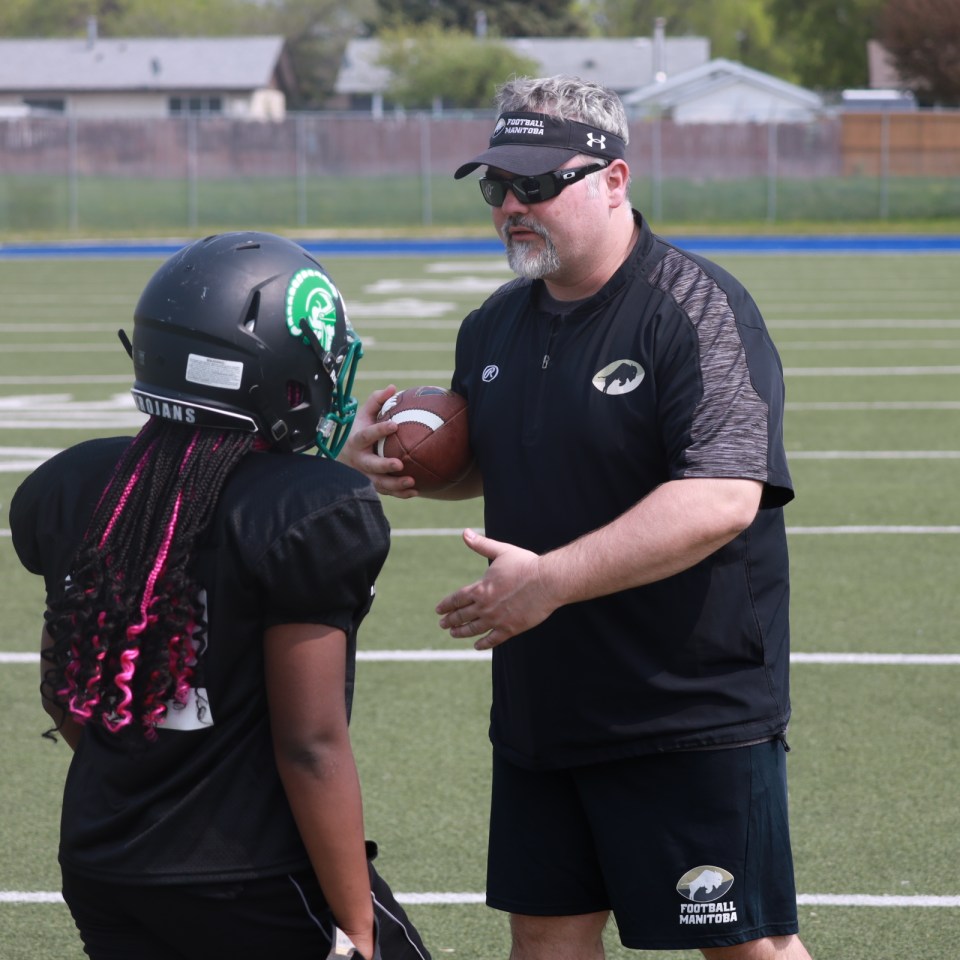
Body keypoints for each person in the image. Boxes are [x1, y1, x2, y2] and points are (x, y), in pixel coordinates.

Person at [339, 76, 813, 959]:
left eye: (536, 183)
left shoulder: (698, 308)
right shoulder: (493, 325)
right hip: (545, 703)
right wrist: (396, 466)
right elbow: (500, 460)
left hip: (685, 705)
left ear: (614, 179)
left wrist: (550, 581)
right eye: (496, 186)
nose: (511, 207)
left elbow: (722, 496)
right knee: (546, 940)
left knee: (746, 946)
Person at [9, 232, 431, 960]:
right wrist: (358, 926)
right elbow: (310, 745)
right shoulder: (313, 512)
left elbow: (62, 691)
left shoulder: (80, 487)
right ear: (285, 376)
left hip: (103, 862)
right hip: (251, 874)